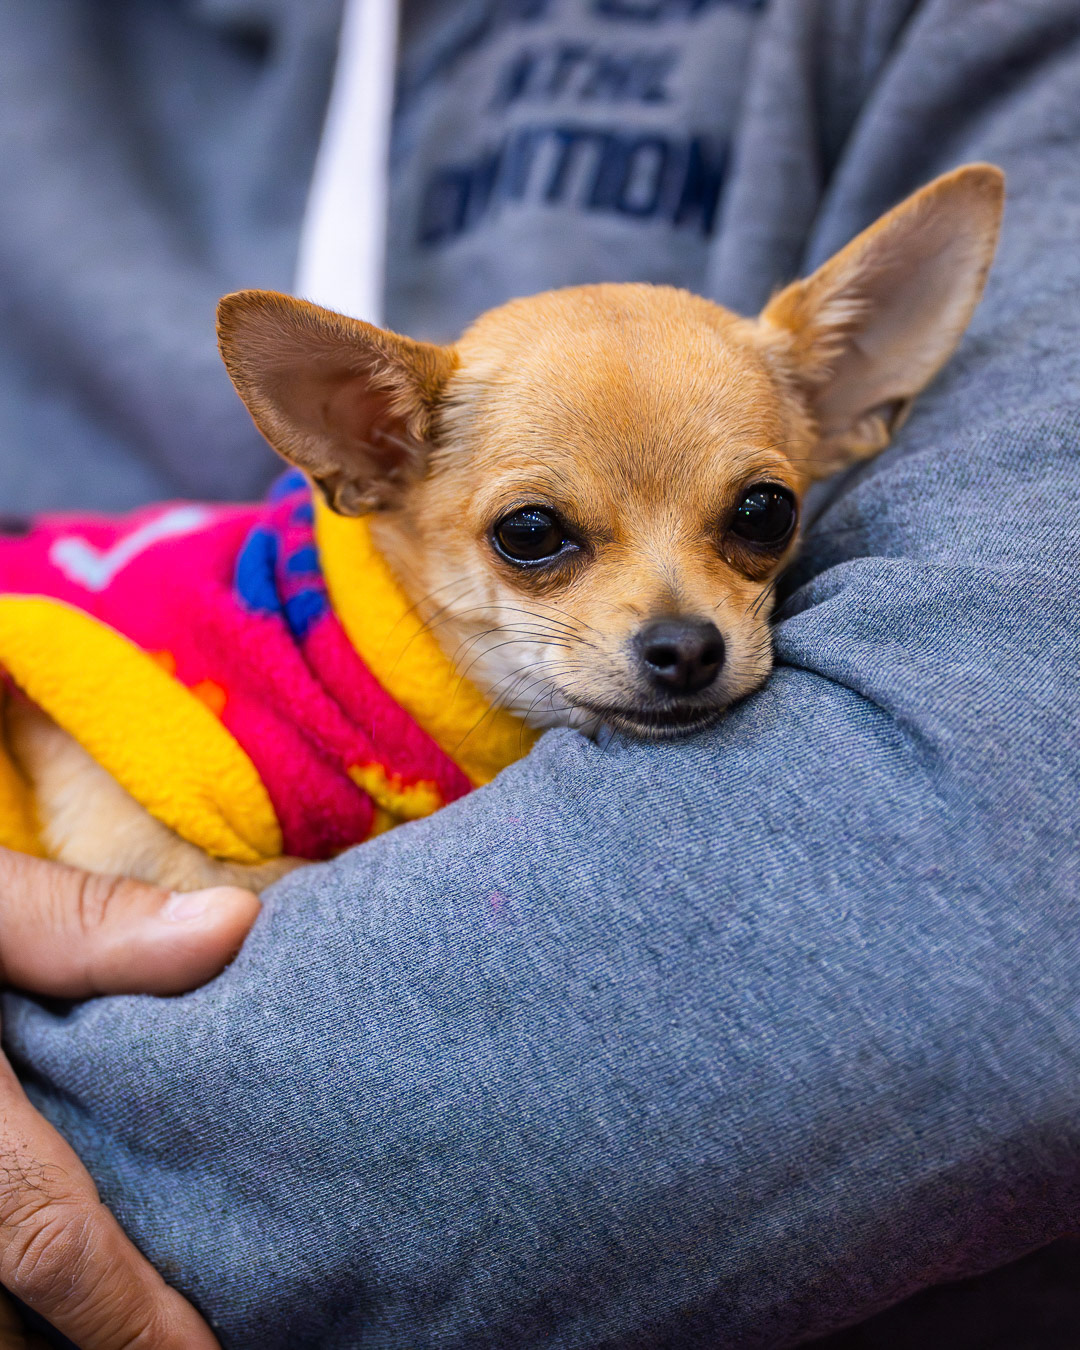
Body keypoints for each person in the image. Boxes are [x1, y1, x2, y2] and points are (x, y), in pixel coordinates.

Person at [0, 0, 1078, 1346]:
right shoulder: (242, 674)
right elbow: (143, 879)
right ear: (368, 446)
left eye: (751, 521)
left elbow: (1012, 929)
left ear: (841, 398)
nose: (676, 620)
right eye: (541, 539)